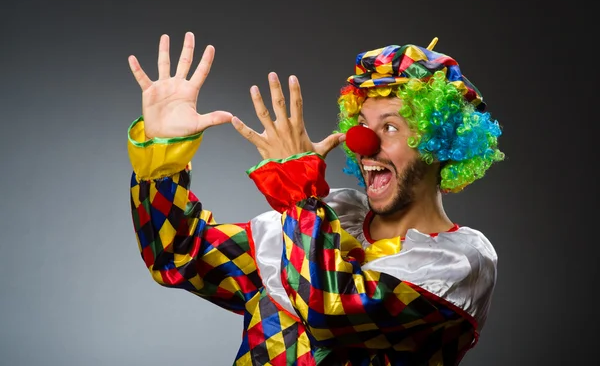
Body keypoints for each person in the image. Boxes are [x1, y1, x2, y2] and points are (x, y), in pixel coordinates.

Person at [126, 32, 504, 365]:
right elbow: (179, 254)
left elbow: (328, 310)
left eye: (389, 126)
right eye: (361, 125)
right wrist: (164, 156)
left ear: (442, 145)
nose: (363, 144)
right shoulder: (329, 216)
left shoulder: (458, 266)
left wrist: (298, 194)